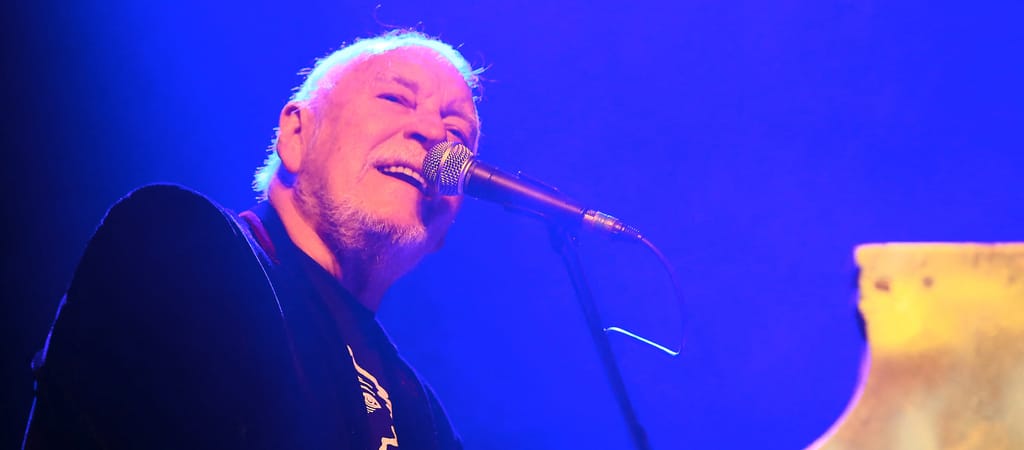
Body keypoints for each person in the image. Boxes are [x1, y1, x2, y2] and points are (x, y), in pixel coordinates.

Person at [23, 30, 481, 450]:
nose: (434, 135)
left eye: (458, 133)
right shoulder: (186, 246)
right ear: (297, 135)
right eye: (396, 98)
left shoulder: (426, 420)